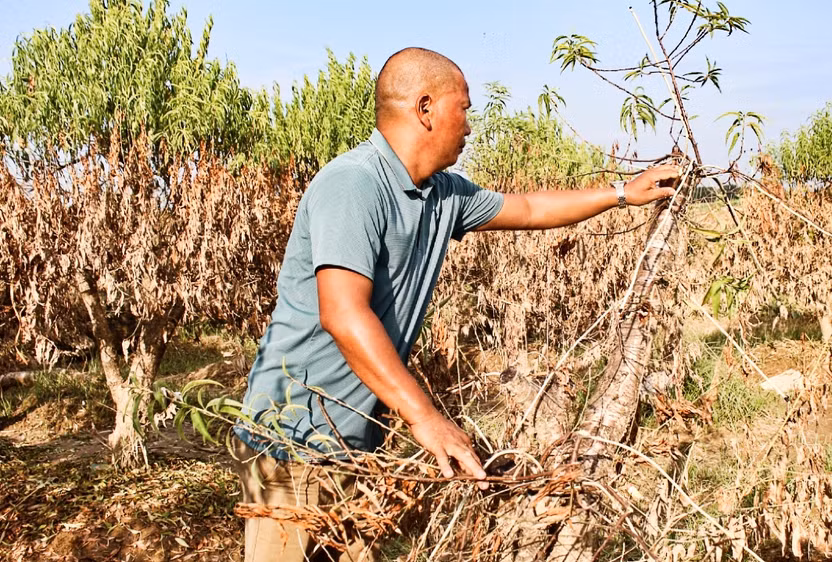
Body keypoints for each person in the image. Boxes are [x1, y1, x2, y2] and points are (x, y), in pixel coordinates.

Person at [232, 47, 681, 561]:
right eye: (463, 108)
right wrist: (424, 416)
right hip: (291, 442)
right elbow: (343, 312)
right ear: (425, 109)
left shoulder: (442, 193)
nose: (469, 124)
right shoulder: (354, 184)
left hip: (354, 445)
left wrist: (623, 193)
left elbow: (529, 209)